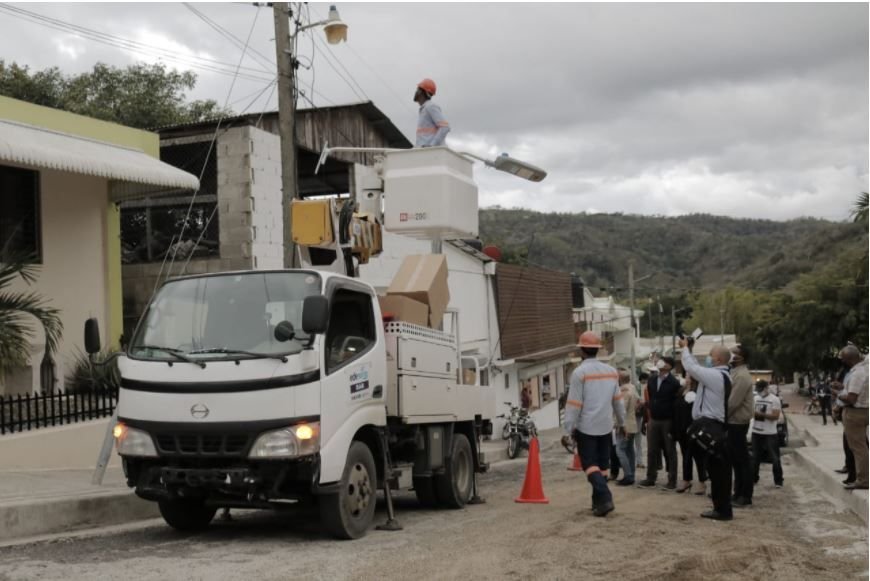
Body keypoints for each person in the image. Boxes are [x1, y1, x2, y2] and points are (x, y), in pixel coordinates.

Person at [561, 331, 626, 517]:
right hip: (606, 426)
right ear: (598, 350)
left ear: (582, 350)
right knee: (602, 467)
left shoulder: (579, 373)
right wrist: (622, 422)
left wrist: (568, 429)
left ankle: (605, 497)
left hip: (587, 427)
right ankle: (598, 504)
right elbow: (618, 401)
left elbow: (574, 404)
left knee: (589, 465)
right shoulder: (611, 371)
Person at [679, 337, 734, 521]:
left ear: (718, 359)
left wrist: (685, 349)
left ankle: (722, 510)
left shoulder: (716, 376)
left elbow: (692, 368)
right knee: (716, 469)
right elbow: (696, 368)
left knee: (718, 471)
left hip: (711, 425)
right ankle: (720, 507)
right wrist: (690, 348)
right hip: (713, 425)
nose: (708, 358)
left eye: (711, 356)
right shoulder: (720, 375)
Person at [638, 357, 680, 490]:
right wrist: (647, 418)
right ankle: (651, 477)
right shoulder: (652, 380)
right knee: (651, 450)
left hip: (668, 420)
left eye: (665, 362)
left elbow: (676, 403)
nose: (661, 363)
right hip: (654, 419)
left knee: (670, 451)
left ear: (670, 366)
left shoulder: (674, 383)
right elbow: (651, 399)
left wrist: (675, 424)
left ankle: (672, 480)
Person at [834, 345, 869, 490]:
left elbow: (851, 398)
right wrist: (843, 387)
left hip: (855, 413)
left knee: (858, 448)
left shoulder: (857, 373)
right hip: (865, 410)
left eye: (843, 359)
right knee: (862, 446)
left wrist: (837, 393)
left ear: (849, 359)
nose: (843, 361)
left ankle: (863, 480)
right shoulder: (866, 369)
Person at [728, 344, 755, 508]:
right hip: (734, 421)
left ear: (742, 357)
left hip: (737, 421)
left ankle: (745, 495)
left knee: (741, 460)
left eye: (734, 353)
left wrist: (721, 417)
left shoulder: (742, 376)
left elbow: (733, 403)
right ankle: (737, 493)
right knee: (736, 461)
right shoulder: (735, 373)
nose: (731, 355)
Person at [673, 375, 708, 495]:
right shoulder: (681, 391)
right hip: (681, 428)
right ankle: (687, 479)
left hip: (693, 428)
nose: (686, 379)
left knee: (698, 456)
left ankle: (702, 481)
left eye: (689, 377)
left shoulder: (699, 392)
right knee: (685, 455)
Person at [751, 380, 784, 489]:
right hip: (756, 432)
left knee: (775, 458)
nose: (760, 392)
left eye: (761, 390)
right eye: (758, 390)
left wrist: (760, 414)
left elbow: (775, 416)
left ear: (766, 388)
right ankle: (754, 478)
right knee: (755, 458)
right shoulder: (755, 399)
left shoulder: (774, 400)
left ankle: (778, 480)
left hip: (770, 433)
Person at [614, 369, 639, 486]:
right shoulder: (633, 388)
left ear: (620, 379)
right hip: (633, 423)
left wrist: (619, 424)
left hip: (625, 425)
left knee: (620, 450)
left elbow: (621, 409)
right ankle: (631, 475)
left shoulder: (623, 390)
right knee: (630, 450)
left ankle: (628, 475)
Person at [414, 78, 450, 147]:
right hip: (426, 152)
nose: (416, 92)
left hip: (432, 153)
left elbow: (445, 127)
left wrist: (432, 146)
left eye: (418, 89)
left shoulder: (430, 106)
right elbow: (423, 138)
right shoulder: (424, 109)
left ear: (421, 92)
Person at [635, 372, 649, 469]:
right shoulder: (637, 386)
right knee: (637, 441)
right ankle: (638, 461)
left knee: (637, 441)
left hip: (639, 416)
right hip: (637, 416)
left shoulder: (643, 386)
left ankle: (639, 461)